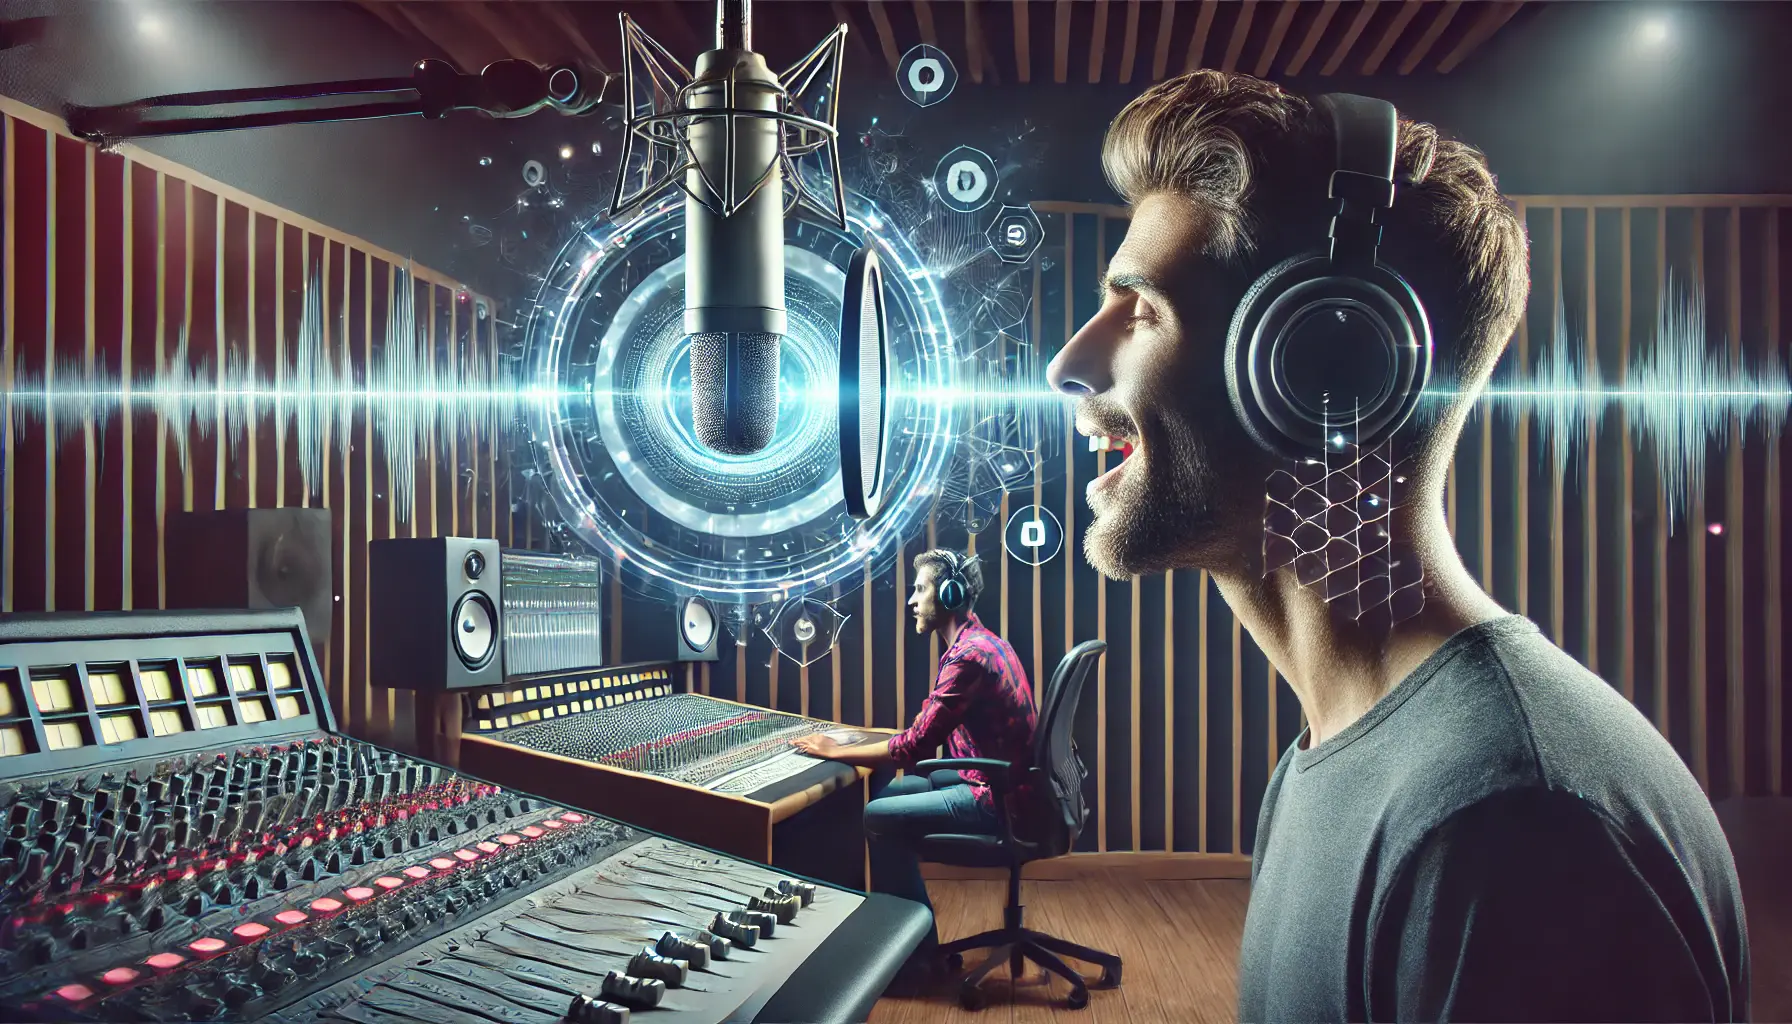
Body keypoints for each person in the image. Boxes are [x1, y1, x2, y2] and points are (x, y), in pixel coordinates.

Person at [1046, 71, 1748, 1021]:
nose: (1070, 363)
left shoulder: (1513, 833)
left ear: (1322, 363)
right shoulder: (1344, 764)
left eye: (1142, 308)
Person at [790, 548, 1036, 982]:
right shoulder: (983, 642)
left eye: (920, 589)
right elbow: (923, 729)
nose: (911, 601)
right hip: (1006, 785)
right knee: (896, 794)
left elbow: (913, 748)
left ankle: (916, 959)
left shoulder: (967, 659)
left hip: (997, 801)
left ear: (949, 594)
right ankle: (907, 942)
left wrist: (835, 749)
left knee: (877, 816)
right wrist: (874, 740)